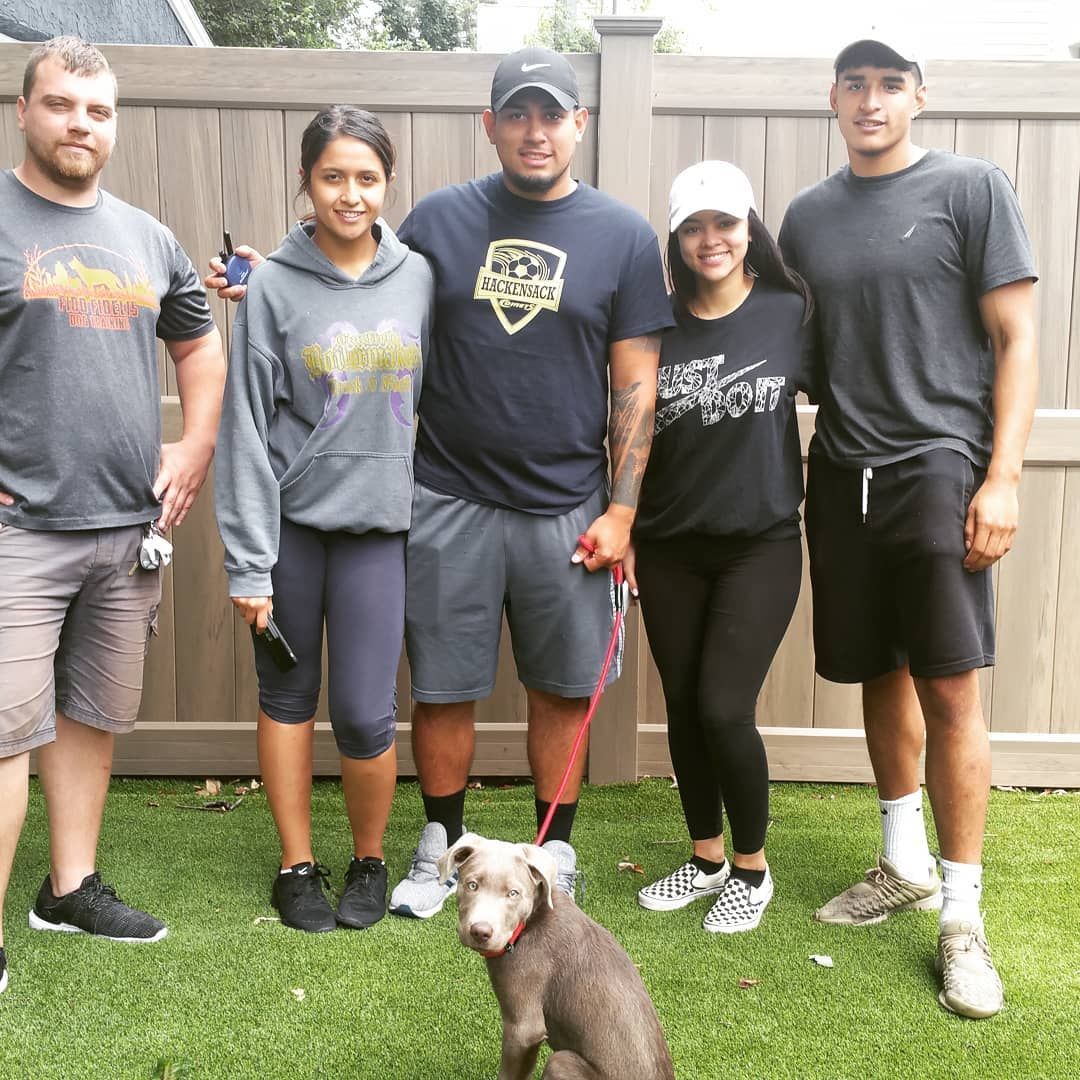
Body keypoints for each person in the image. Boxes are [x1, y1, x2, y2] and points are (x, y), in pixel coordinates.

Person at [207, 47, 672, 918]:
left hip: (569, 505)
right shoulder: (439, 223)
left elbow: (637, 382)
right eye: (519, 115)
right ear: (489, 125)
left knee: (562, 687)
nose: (536, 131)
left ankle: (550, 849)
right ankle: (440, 843)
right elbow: (352, 274)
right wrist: (259, 280)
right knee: (446, 685)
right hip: (446, 495)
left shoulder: (624, 236)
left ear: (580, 124)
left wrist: (621, 507)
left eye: (553, 115)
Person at [778, 33, 1037, 1017]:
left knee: (951, 692)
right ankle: (903, 863)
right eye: (856, 84)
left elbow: (1016, 339)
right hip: (841, 472)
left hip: (939, 470)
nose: (872, 99)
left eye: (890, 83)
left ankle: (962, 923)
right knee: (877, 673)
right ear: (834, 98)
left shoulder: (974, 190)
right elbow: (785, 346)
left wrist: (1000, 477)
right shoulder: (807, 217)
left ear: (919, 97)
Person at [0, 37, 225, 995]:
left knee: (90, 716)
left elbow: (200, 346)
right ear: (24, 111)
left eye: (96, 110)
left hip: (127, 533)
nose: (79, 124)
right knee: (6, 729)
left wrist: (194, 443)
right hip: (19, 527)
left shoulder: (145, 235)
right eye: (60, 105)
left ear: (114, 122)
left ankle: (70, 887)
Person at [215, 107, 434, 933]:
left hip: (379, 532)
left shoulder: (417, 278)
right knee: (287, 697)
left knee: (367, 713)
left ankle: (369, 861)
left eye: (366, 177)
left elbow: (435, 399)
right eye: (332, 176)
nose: (350, 194)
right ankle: (296, 865)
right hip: (294, 532)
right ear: (306, 182)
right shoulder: (272, 283)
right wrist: (247, 562)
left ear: (387, 183)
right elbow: (243, 427)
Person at [627, 162, 814, 934]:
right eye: (694, 227)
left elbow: (854, 392)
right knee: (681, 707)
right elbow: (628, 429)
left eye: (725, 224)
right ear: (676, 239)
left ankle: (752, 868)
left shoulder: (792, 312)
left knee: (723, 706)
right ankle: (706, 859)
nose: (712, 240)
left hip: (760, 544)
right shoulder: (655, 322)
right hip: (668, 544)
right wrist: (626, 524)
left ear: (749, 229)